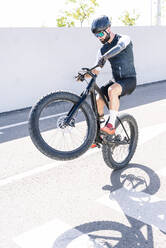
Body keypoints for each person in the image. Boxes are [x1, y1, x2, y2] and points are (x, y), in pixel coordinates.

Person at [79, 15, 137, 148]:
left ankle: (111, 125)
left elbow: (120, 47)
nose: (99, 37)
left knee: (112, 90)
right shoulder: (101, 50)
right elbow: (96, 70)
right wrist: (84, 75)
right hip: (116, 80)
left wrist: (106, 56)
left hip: (129, 80)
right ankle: (98, 132)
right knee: (99, 98)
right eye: (96, 35)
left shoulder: (124, 38)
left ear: (109, 28)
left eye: (100, 33)